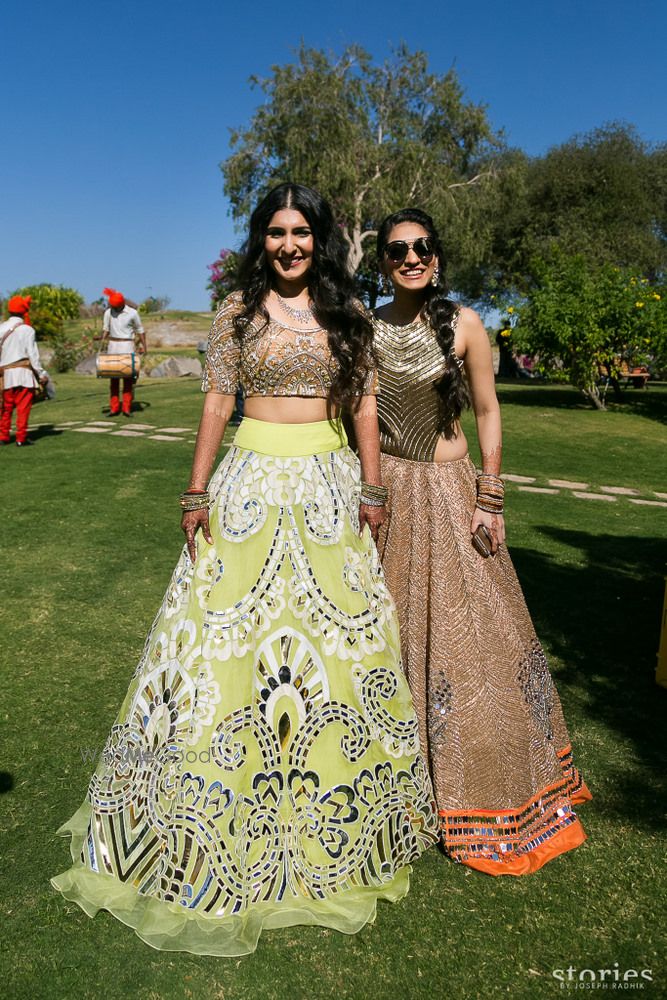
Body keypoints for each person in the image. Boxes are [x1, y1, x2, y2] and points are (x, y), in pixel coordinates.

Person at [51, 184, 438, 956]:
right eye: (275, 232)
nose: (289, 244)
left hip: (328, 487)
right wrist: (196, 490)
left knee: (335, 653)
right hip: (251, 484)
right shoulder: (235, 311)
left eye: (300, 232)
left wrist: (371, 486)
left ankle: (330, 824)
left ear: (318, 239)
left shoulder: (348, 313)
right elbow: (216, 403)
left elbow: (362, 405)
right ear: (260, 239)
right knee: (222, 646)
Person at [372, 208, 591, 875]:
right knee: (389, 632)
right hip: (385, 501)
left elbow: (490, 410)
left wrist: (489, 496)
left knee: (471, 645)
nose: (410, 257)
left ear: (437, 256)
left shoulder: (465, 324)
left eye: (421, 247)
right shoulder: (367, 325)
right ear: (382, 261)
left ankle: (482, 786)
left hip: (448, 491)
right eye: (396, 249)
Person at [0, 295, 49, 446]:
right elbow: (33, 355)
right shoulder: (27, 330)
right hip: (24, 375)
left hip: (5, 375)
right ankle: (21, 438)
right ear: (23, 311)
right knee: (23, 408)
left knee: (6, 408)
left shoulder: (1, 327)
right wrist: (41, 374)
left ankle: (3, 436)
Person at [98, 288, 147, 416]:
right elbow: (106, 329)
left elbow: (140, 330)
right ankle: (114, 408)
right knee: (113, 380)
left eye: (116, 306)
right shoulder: (108, 313)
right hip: (113, 347)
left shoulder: (133, 313)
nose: (114, 308)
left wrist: (144, 346)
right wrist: (101, 339)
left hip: (127, 346)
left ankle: (126, 408)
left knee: (128, 380)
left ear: (122, 303)